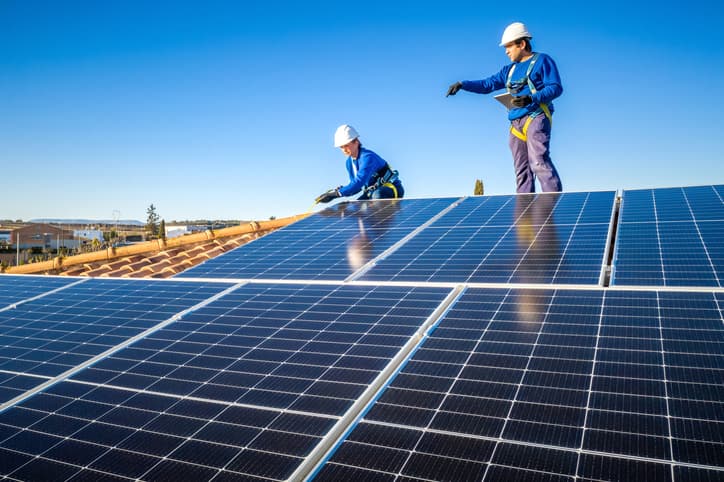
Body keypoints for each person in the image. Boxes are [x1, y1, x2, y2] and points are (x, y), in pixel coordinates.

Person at [446, 22, 563, 193]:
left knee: (538, 162)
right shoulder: (508, 70)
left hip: (535, 117)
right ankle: (526, 217)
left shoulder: (542, 61)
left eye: (509, 47)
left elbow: (555, 87)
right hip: (515, 124)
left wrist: (532, 98)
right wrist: (463, 84)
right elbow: (488, 84)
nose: (506, 51)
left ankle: (553, 207)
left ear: (521, 44)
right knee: (521, 171)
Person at [315, 124, 404, 204]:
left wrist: (337, 194)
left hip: (390, 189)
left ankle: (384, 222)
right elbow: (356, 187)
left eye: (346, 145)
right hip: (372, 192)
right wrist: (337, 192)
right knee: (354, 207)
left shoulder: (368, 157)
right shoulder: (349, 163)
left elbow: (359, 182)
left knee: (378, 195)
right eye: (341, 147)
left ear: (356, 142)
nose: (344, 150)